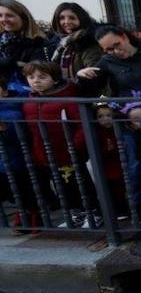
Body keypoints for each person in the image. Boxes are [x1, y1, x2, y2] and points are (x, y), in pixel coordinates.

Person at [21, 61, 99, 228]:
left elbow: (81, 124)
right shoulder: (29, 101)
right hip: (47, 152)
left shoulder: (67, 98)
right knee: (61, 186)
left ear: (55, 79)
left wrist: (75, 145)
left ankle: (94, 212)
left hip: (69, 150)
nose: (36, 81)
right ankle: (75, 213)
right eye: (31, 77)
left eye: (42, 77)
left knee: (81, 182)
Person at [76, 26, 141, 97]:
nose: (116, 51)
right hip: (130, 116)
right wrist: (82, 76)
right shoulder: (107, 61)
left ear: (124, 37)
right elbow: (90, 87)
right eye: (109, 50)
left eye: (117, 44)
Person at [0, 75, 39, 228]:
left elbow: (18, 136)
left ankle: (29, 215)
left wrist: (5, 130)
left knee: (23, 188)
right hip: (6, 160)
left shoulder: (13, 110)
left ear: (5, 92)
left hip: (16, 158)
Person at [0, 0, 55, 86]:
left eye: (9, 15)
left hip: (26, 95)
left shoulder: (40, 43)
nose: (4, 19)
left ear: (24, 18)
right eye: (0, 16)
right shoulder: (2, 40)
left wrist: (12, 64)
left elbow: (39, 72)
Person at [48, 2, 102, 82]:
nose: (66, 22)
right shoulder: (60, 43)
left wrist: (79, 77)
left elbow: (94, 72)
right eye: (62, 18)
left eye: (72, 18)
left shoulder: (89, 41)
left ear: (81, 19)